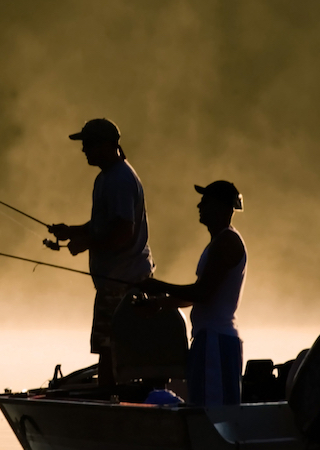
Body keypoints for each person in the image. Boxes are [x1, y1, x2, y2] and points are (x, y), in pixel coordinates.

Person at [47, 118, 155, 386]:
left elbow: (123, 232)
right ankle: (114, 397)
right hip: (117, 280)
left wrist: (87, 243)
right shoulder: (106, 178)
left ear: (108, 145)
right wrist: (72, 231)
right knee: (112, 347)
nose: (84, 149)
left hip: (122, 282)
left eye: (88, 144)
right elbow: (104, 225)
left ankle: (109, 401)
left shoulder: (119, 179)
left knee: (109, 348)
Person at [136, 181, 246, 406]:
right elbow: (200, 295)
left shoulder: (226, 242)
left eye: (205, 202)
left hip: (215, 340)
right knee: (206, 408)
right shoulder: (218, 241)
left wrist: (160, 287)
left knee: (212, 413)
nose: (199, 205)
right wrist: (160, 303)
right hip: (209, 339)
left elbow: (203, 292)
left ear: (222, 207)